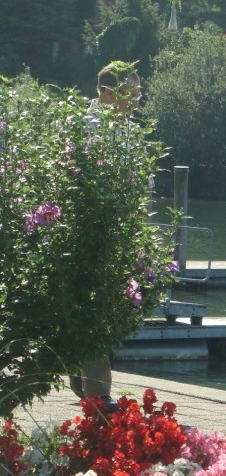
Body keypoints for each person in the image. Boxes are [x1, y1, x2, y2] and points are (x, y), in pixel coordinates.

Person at [68, 62, 143, 412]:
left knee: (103, 315)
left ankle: (82, 375)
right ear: (110, 94)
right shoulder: (88, 128)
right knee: (94, 313)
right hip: (90, 235)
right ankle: (98, 396)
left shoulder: (127, 128)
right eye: (133, 93)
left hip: (119, 234)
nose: (138, 100)